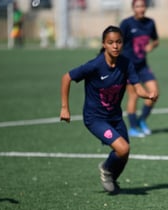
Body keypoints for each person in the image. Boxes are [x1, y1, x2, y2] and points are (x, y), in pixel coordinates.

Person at [60, 26, 157, 194]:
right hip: (95, 118)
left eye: (118, 42)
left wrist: (148, 95)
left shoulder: (126, 63)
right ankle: (106, 169)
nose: (115, 46)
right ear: (104, 44)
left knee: (124, 154)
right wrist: (65, 108)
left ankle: (110, 176)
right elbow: (67, 77)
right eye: (111, 42)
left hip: (115, 117)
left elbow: (137, 88)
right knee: (123, 148)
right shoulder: (95, 65)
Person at [120, 0, 160, 137]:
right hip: (129, 67)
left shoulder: (150, 23)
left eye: (143, 6)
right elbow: (117, 43)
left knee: (154, 93)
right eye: (137, 6)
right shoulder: (126, 24)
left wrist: (151, 46)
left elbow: (156, 40)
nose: (140, 9)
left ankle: (141, 120)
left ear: (146, 7)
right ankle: (132, 128)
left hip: (143, 66)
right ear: (133, 8)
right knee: (134, 95)